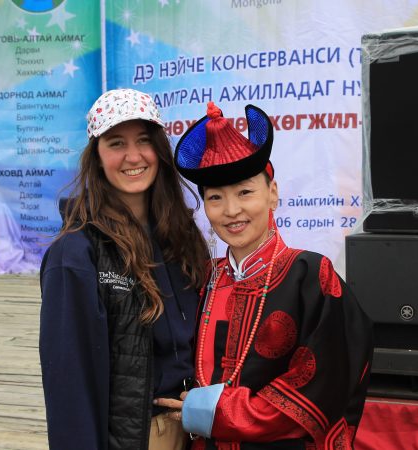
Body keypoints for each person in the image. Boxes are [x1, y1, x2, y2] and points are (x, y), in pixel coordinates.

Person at [157, 102, 373, 449]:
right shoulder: (204, 279)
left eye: (245, 192)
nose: (231, 210)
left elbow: (323, 385)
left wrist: (217, 413)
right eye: (216, 197)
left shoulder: (310, 276)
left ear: (272, 194)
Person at [39, 88, 209, 450]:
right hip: (137, 437)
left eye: (143, 141)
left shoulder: (181, 236)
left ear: (159, 150)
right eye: (116, 143)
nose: (133, 156)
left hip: (200, 431)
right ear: (97, 157)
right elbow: (69, 383)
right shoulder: (76, 252)